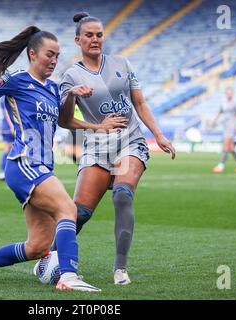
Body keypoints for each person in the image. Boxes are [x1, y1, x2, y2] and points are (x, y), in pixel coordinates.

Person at [0, 26, 124, 292]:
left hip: (41, 167)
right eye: (49, 54)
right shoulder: (16, 80)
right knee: (68, 210)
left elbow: (65, 120)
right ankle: (69, 276)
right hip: (24, 162)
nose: (54, 60)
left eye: (58, 56)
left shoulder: (54, 88)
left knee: (37, 246)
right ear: (33, 54)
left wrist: (92, 118)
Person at [54, 12, 176, 286]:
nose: (95, 39)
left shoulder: (123, 63)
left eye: (99, 34)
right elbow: (64, 121)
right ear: (78, 40)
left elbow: (140, 103)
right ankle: (50, 260)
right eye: (89, 35)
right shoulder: (70, 76)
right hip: (97, 147)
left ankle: (120, 269)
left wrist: (159, 135)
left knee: (122, 195)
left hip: (129, 141)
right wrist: (73, 95)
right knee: (79, 213)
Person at [211, 87, 236, 173]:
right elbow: (219, 112)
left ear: (233, 93)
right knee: (231, 148)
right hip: (225, 126)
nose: (229, 94)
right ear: (226, 93)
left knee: (226, 145)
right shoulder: (223, 102)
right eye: (228, 93)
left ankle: (221, 165)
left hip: (232, 126)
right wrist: (214, 121)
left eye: (230, 93)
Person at [0, 95, 14, 180]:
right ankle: (2, 171)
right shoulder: (4, 97)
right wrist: (12, 126)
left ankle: (12, 172)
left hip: (18, 125)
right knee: (7, 148)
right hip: (8, 127)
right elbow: (6, 112)